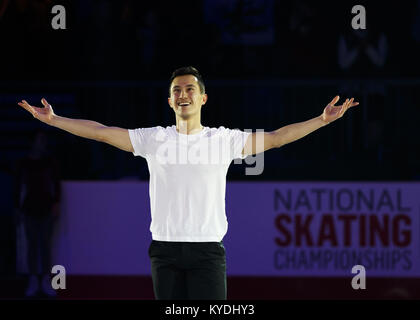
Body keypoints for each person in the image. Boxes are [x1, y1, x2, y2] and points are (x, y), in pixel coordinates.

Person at [17, 66, 358, 300]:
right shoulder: (154, 139)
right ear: (169, 100)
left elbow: (276, 139)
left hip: (208, 251)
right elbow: (103, 133)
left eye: (190, 89)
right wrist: (55, 120)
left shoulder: (224, 140)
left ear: (203, 98)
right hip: (163, 250)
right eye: (177, 90)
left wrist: (322, 120)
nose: (183, 94)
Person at [13, 130, 61, 298]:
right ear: (33, 142)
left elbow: (56, 184)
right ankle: (33, 279)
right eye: (39, 140)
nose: (42, 143)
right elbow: (18, 187)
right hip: (29, 209)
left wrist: (56, 203)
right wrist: (17, 209)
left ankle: (46, 280)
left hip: (46, 208)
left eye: (44, 140)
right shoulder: (24, 163)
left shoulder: (49, 162)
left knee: (45, 246)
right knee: (32, 245)